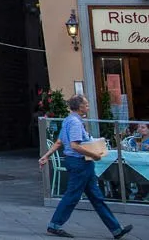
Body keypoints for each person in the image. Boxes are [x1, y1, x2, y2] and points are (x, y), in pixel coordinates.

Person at [40, 95, 133, 238]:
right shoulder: (76, 123)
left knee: (96, 197)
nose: (88, 106)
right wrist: (94, 155)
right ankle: (54, 225)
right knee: (73, 196)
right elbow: (74, 145)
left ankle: (116, 230)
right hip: (80, 163)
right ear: (80, 107)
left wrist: (46, 155)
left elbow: (59, 142)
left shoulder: (67, 120)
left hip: (79, 163)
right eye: (86, 104)